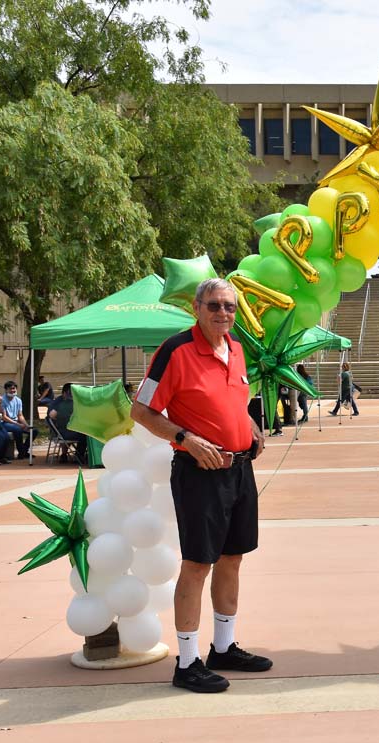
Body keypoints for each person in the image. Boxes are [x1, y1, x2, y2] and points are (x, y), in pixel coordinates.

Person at [131, 278, 270, 694]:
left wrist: (249, 427)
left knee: (233, 558)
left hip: (240, 470)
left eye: (229, 306)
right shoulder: (175, 351)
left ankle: (223, 648)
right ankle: (187, 662)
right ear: (196, 308)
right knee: (198, 564)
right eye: (214, 305)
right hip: (199, 473)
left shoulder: (238, 350)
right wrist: (184, 439)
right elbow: (142, 410)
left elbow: (234, 403)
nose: (222, 313)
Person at [48, 384, 88, 465]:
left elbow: (51, 415)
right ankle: (79, 456)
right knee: (86, 435)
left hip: (61, 432)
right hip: (67, 432)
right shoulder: (75, 405)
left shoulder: (60, 405)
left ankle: (77, 455)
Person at [0, 380, 35, 459]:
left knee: (34, 431)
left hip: (15, 422)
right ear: (6, 390)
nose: (12, 390)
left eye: (14, 388)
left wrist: (26, 425)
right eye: (10, 389)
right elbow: (4, 417)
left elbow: (20, 415)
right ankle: (21, 453)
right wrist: (18, 424)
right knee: (18, 430)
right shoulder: (2, 400)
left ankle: (24, 450)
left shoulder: (18, 400)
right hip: (5, 423)